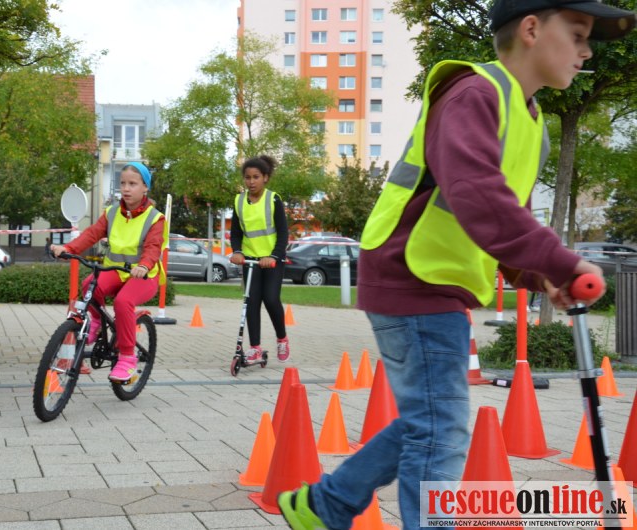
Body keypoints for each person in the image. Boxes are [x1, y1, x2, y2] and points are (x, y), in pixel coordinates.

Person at [277, 1, 632, 528]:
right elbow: (478, 197)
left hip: (435, 280)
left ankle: (325, 505)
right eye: (578, 34)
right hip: (412, 274)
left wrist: (541, 275)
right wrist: (561, 260)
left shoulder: (531, 122)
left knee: (431, 422)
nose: (586, 52)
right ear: (531, 29)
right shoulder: (474, 94)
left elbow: (502, 221)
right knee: (440, 430)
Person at [51, 162, 166, 382]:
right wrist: (68, 248)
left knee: (123, 302)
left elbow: (153, 247)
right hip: (116, 270)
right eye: (123, 183)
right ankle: (95, 322)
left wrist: (144, 266)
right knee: (89, 285)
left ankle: (127, 358)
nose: (126, 188)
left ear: (145, 187)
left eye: (132, 184)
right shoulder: (112, 213)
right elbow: (91, 234)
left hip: (144, 275)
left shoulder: (155, 218)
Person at [229, 155, 291, 363]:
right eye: (247, 177)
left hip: (272, 260)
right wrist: (237, 251)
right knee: (251, 301)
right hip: (250, 260)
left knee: (271, 299)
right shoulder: (239, 201)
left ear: (265, 178)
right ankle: (255, 348)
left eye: (256, 177)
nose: (251, 181)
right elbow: (236, 232)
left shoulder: (273, 200)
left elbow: (283, 233)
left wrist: (273, 255)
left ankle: (282, 338)